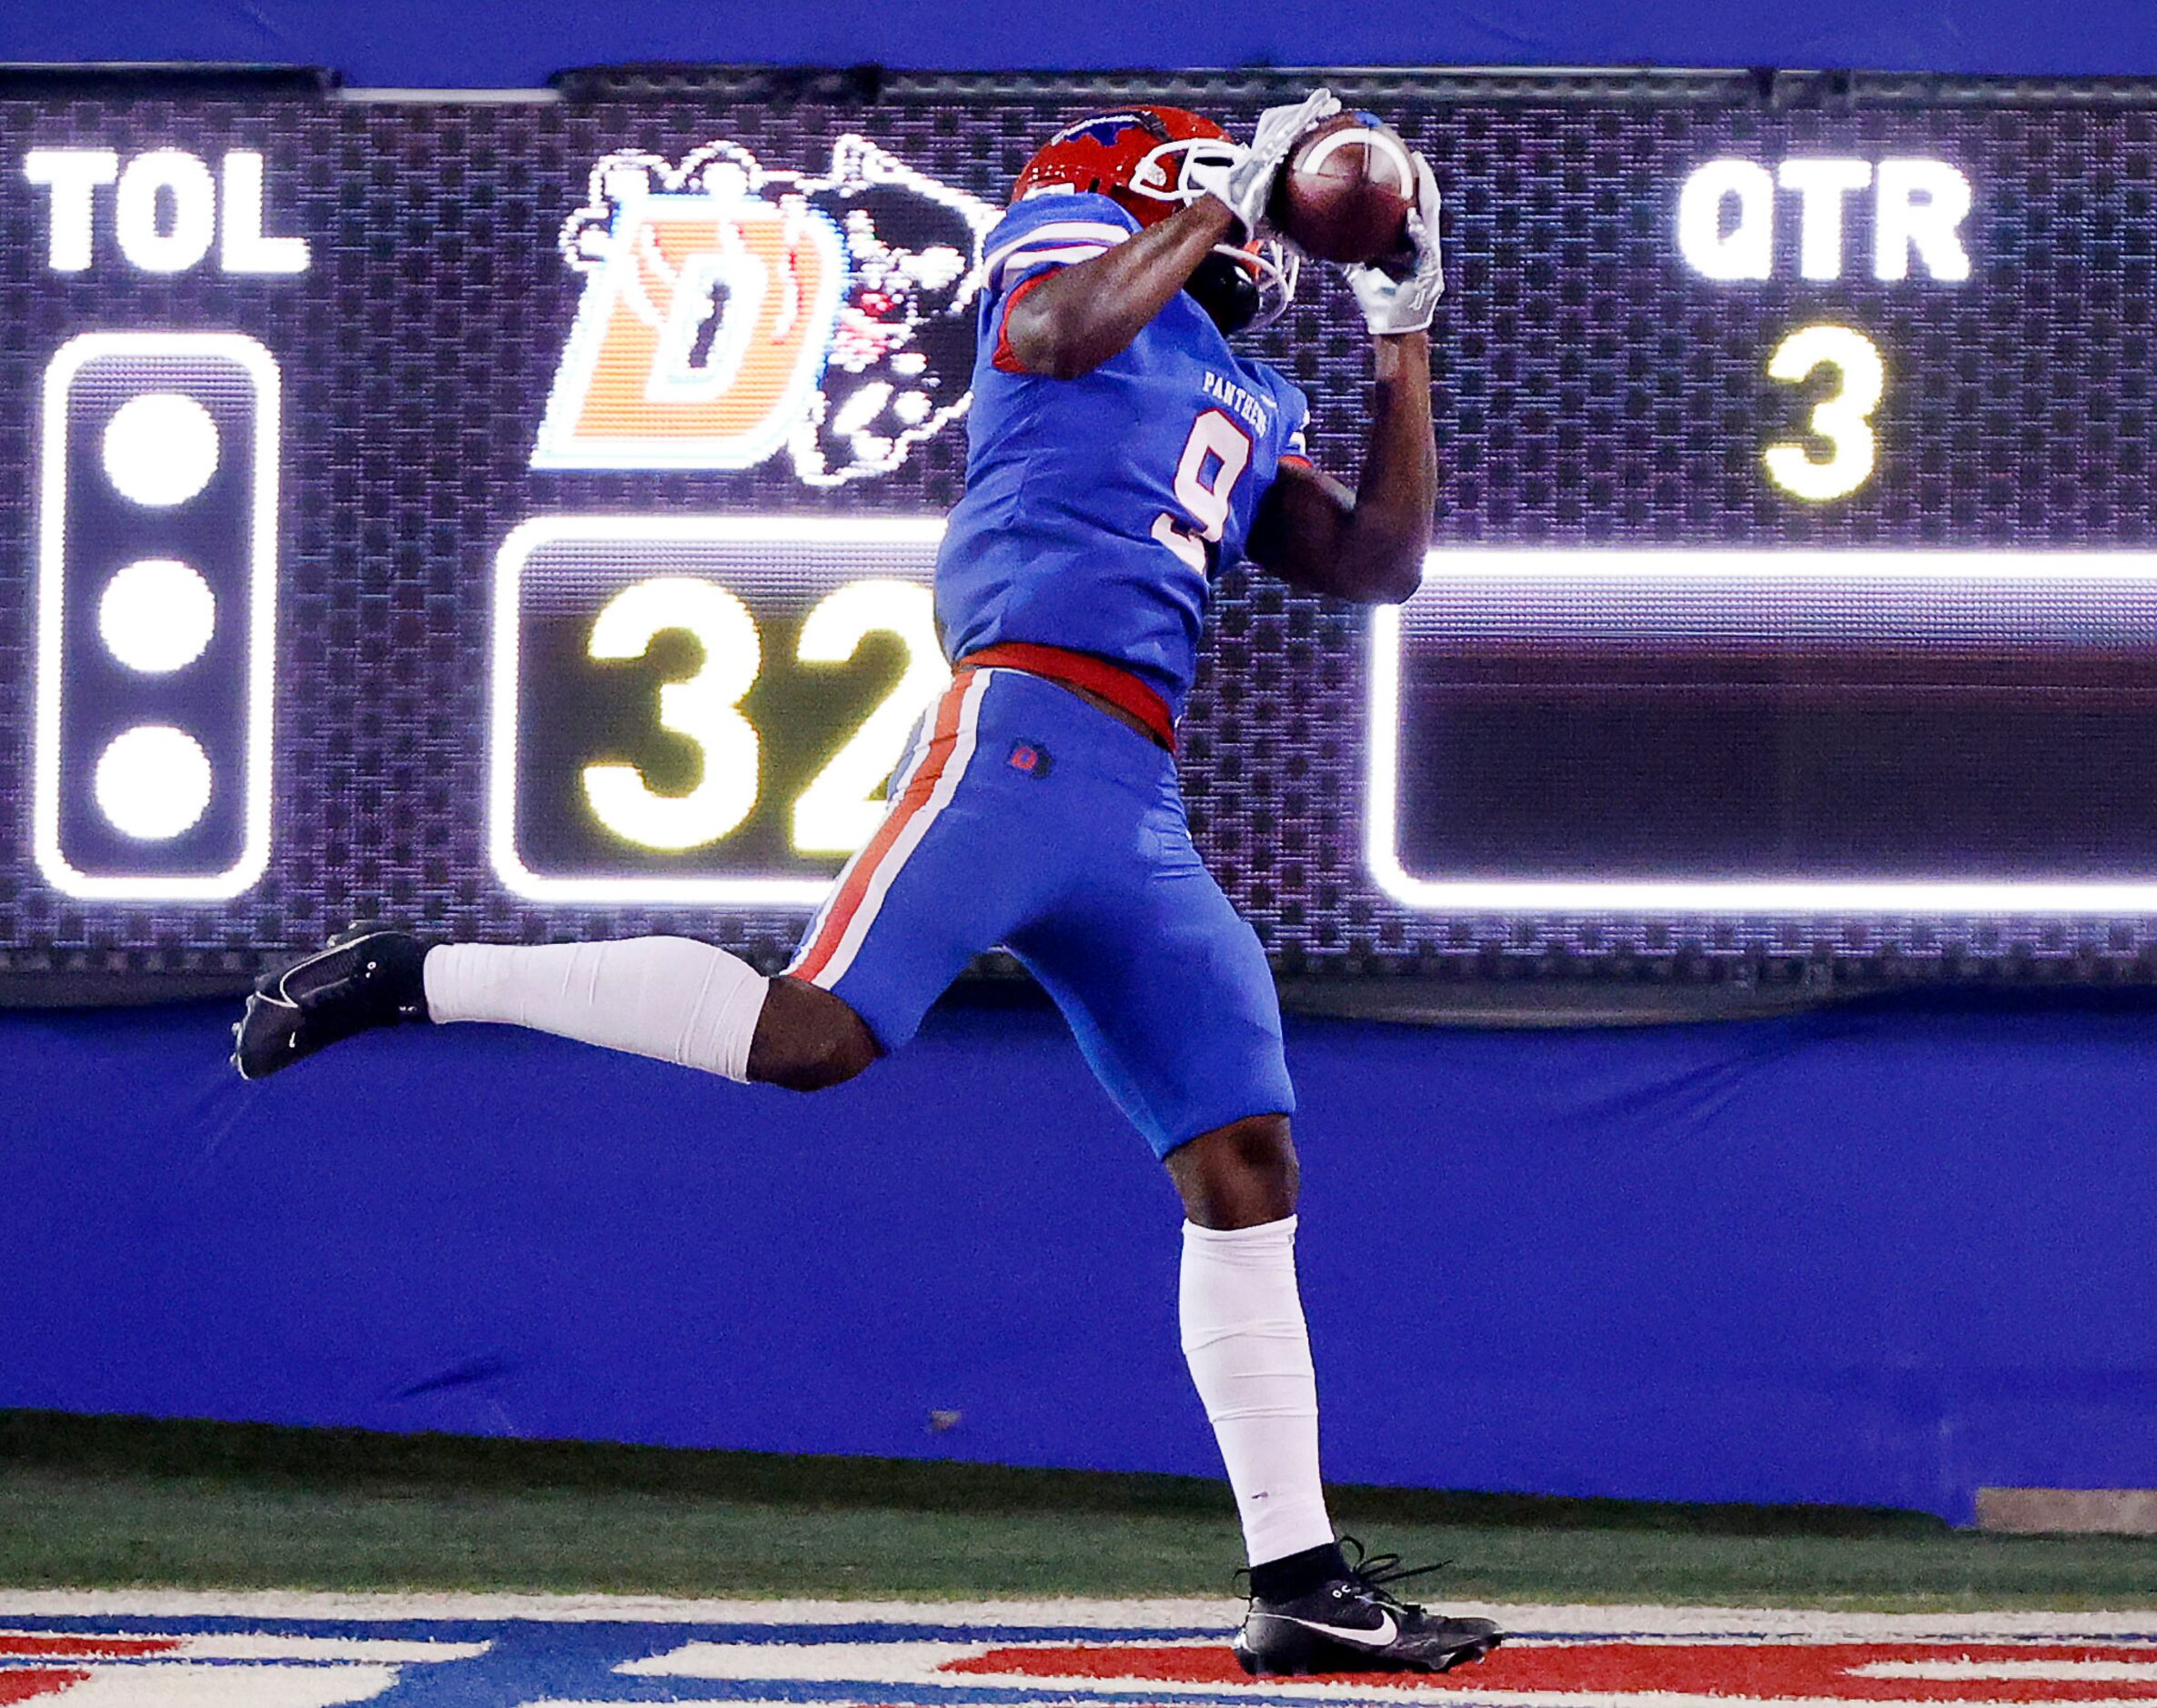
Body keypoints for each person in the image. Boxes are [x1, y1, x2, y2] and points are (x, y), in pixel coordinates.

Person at [233, 91, 1502, 1677]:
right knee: (819, 1035)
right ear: (1173, 185)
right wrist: (1209, 208)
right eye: (1224, 202)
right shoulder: (1075, 244)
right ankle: (415, 968)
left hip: (1136, 795)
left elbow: (1376, 562)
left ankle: (1298, 1579)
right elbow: (1047, 334)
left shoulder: (1247, 380)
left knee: (1246, 1153)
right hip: (1018, 727)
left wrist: (1403, 337)